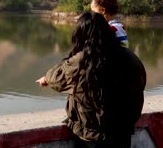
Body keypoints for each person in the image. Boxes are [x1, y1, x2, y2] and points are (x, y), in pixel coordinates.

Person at [36, 12, 146, 148]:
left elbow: (56, 77)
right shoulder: (129, 56)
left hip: (92, 136)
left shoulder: (81, 61)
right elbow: (141, 83)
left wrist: (46, 78)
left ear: (80, 35)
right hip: (122, 132)